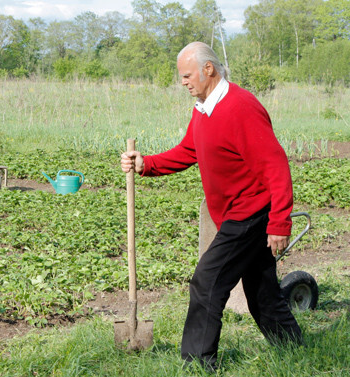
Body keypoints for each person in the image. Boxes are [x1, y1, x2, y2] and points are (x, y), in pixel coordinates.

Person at [120, 42, 302, 370]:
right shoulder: (203, 107)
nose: (184, 82)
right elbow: (188, 151)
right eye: (181, 77)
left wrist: (279, 223)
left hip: (250, 211)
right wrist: (146, 163)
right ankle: (293, 347)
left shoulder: (241, 107)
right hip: (234, 212)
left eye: (187, 75)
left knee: (207, 282)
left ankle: (197, 364)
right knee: (261, 288)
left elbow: (276, 166)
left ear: (208, 69)